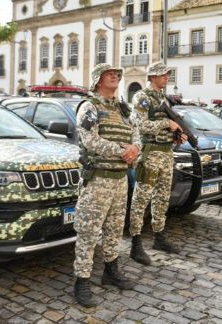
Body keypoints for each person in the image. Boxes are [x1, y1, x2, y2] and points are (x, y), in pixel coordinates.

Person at [73, 63, 141, 308]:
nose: (115, 76)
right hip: (98, 179)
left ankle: (110, 272)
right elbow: (90, 141)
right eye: (110, 73)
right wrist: (122, 150)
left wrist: (135, 149)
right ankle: (81, 280)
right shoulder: (89, 107)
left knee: (114, 229)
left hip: (120, 179)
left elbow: (136, 135)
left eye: (117, 74)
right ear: (97, 79)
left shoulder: (124, 109)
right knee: (89, 232)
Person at [129, 62, 187, 266]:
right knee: (141, 199)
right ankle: (136, 244)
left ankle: (159, 237)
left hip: (166, 154)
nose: (166, 77)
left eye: (167, 74)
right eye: (163, 74)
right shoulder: (141, 97)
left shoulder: (163, 98)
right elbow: (140, 125)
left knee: (162, 199)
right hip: (150, 154)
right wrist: (166, 124)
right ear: (152, 76)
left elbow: (167, 127)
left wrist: (176, 136)